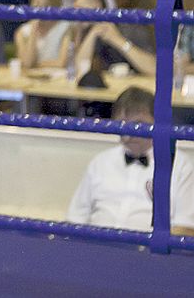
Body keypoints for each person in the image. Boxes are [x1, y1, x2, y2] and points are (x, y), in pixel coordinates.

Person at [66, 87, 194, 235]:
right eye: (122, 124)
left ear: (158, 121)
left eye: (138, 124)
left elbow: (186, 228)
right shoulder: (100, 162)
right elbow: (75, 218)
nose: (129, 133)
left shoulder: (181, 166)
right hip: (96, 244)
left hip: (149, 248)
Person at [72, 0, 155, 79]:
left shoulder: (131, 28)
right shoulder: (91, 31)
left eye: (80, 9)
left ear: (97, 7)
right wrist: (92, 34)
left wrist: (118, 40)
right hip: (111, 85)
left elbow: (154, 69)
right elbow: (80, 69)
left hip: (140, 84)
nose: (75, 15)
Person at [13, 0, 72, 69]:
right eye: (36, 6)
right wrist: (33, 30)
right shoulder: (22, 32)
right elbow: (27, 64)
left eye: (45, 7)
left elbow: (61, 64)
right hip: (31, 77)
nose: (40, 12)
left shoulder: (66, 28)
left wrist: (36, 65)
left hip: (57, 76)